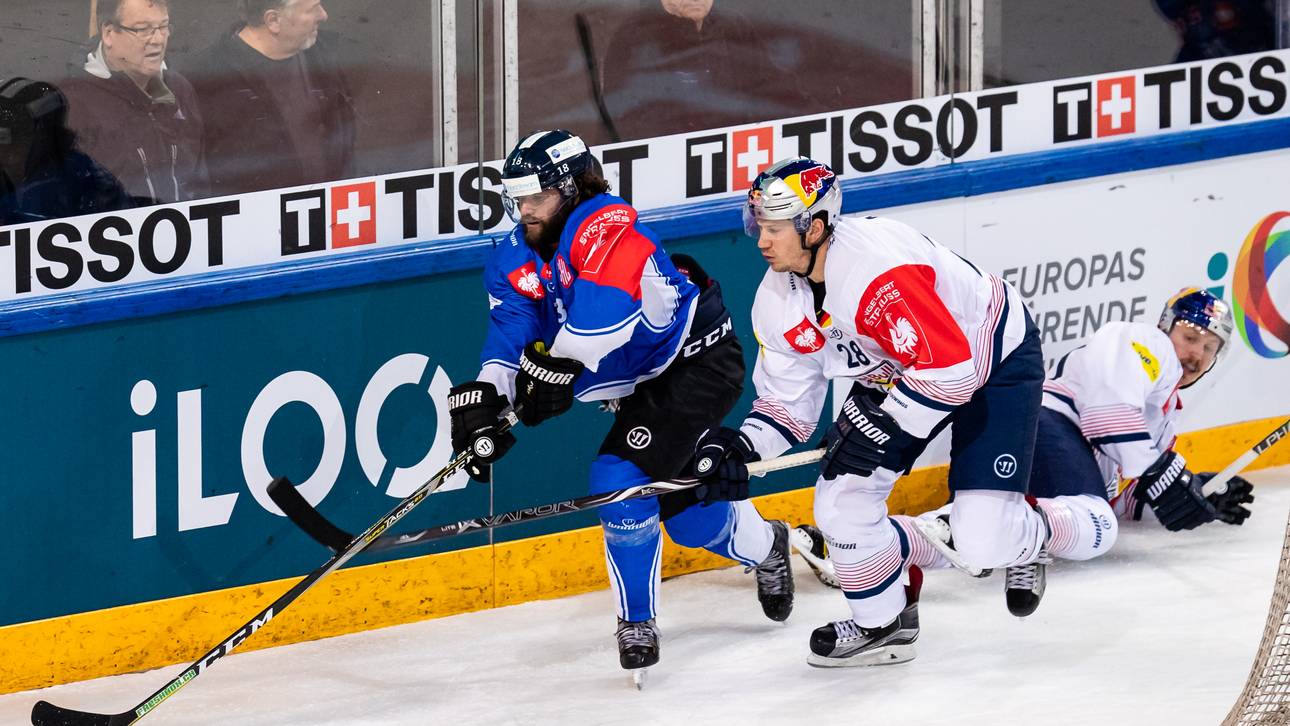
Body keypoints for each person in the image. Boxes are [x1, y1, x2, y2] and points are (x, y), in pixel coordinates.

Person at [446, 130, 795, 678]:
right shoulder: (516, 253)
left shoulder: (607, 223)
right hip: (641, 384)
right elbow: (514, 327)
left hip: (695, 366)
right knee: (690, 520)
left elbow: (604, 317)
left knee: (618, 477)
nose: (525, 210)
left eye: (536, 197)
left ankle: (637, 622)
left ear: (570, 188)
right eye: (518, 200)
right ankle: (769, 543)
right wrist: (490, 395)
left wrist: (556, 369)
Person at [697, 156, 1050, 668]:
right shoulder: (776, 300)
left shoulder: (876, 272)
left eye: (774, 229)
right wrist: (742, 447)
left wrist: (885, 425)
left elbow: (952, 371)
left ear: (814, 227)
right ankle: (884, 621)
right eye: (760, 228)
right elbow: (790, 405)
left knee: (985, 541)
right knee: (841, 501)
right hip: (898, 373)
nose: (762, 242)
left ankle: (1039, 529)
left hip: (993, 355)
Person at [796, 288, 1254, 594]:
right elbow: (1106, 416)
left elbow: (1120, 486)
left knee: (991, 541)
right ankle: (966, 527)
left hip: (1043, 445)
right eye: (1190, 335)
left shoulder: (1159, 415)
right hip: (1042, 425)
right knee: (1096, 527)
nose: (1195, 353)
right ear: (1166, 325)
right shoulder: (1145, 345)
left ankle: (851, 546)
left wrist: (1195, 489)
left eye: (1209, 347)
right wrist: (1160, 471)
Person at [188, 0, 354, 195]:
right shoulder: (208, 78)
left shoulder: (325, 56)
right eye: (312, 8)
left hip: (325, 212)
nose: (324, 15)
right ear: (273, 20)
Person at [62, 0, 207, 205]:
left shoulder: (180, 90)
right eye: (143, 29)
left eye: (163, 27)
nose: (157, 39)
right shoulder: (74, 104)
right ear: (109, 33)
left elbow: (202, 186)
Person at [0, 77, 133, 225]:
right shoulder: (81, 167)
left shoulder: (71, 180)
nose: (6, 150)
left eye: (6, 137)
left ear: (39, 137)